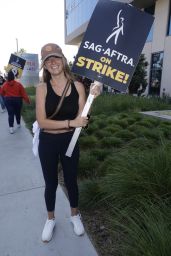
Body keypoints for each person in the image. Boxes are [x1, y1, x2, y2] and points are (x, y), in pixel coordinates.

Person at [36, 43, 100, 242]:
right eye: (48, 60)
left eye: (56, 57)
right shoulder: (42, 88)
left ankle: (74, 215)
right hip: (47, 141)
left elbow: (83, 118)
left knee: (71, 180)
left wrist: (93, 97)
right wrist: (72, 122)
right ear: (45, 66)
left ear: (63, 60)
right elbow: (42, 121)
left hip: (70, 140)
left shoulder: (78, 86)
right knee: (51, 183)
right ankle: (50, 219)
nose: (53, 62)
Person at [0, 70, 30, 134]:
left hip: (8, 100)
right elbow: (23, 93)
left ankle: (11, 128)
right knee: (17, 113)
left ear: (7, 77)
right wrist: (27, 101)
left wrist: (6, 96)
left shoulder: (4, 85)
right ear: (13, 77)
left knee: (10, 114)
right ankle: (18, 124)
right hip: (17, 100)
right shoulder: (18, 84)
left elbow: (1, 93)